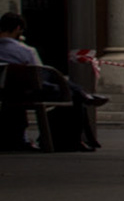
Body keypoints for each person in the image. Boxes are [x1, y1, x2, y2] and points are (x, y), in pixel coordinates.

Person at [0, 11, 106, 151]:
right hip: (28, 92)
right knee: (67, 92)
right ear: (18, 28)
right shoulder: (26, 51)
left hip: (5, 92)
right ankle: (68, 134)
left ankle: (80, 93)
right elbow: (40, 75)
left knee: (63, 86)